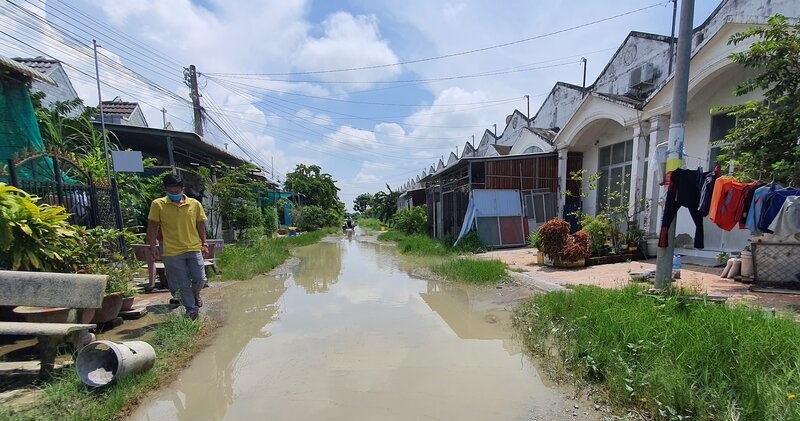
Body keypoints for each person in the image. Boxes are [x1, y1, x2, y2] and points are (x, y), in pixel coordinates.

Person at [147, 174, 209, 320]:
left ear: (182, 189)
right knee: (183, 282)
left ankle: (195, 295)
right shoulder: (158, 204)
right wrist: (152, 245)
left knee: (200, 278)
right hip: (172, 250)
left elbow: (200, 224)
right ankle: (191, 309)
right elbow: (153, 226)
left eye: (176, 191)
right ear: (166, 190)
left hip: (193, 247)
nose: (174, 193)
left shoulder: (194, 204)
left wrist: (203, 243)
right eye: (170, 191)